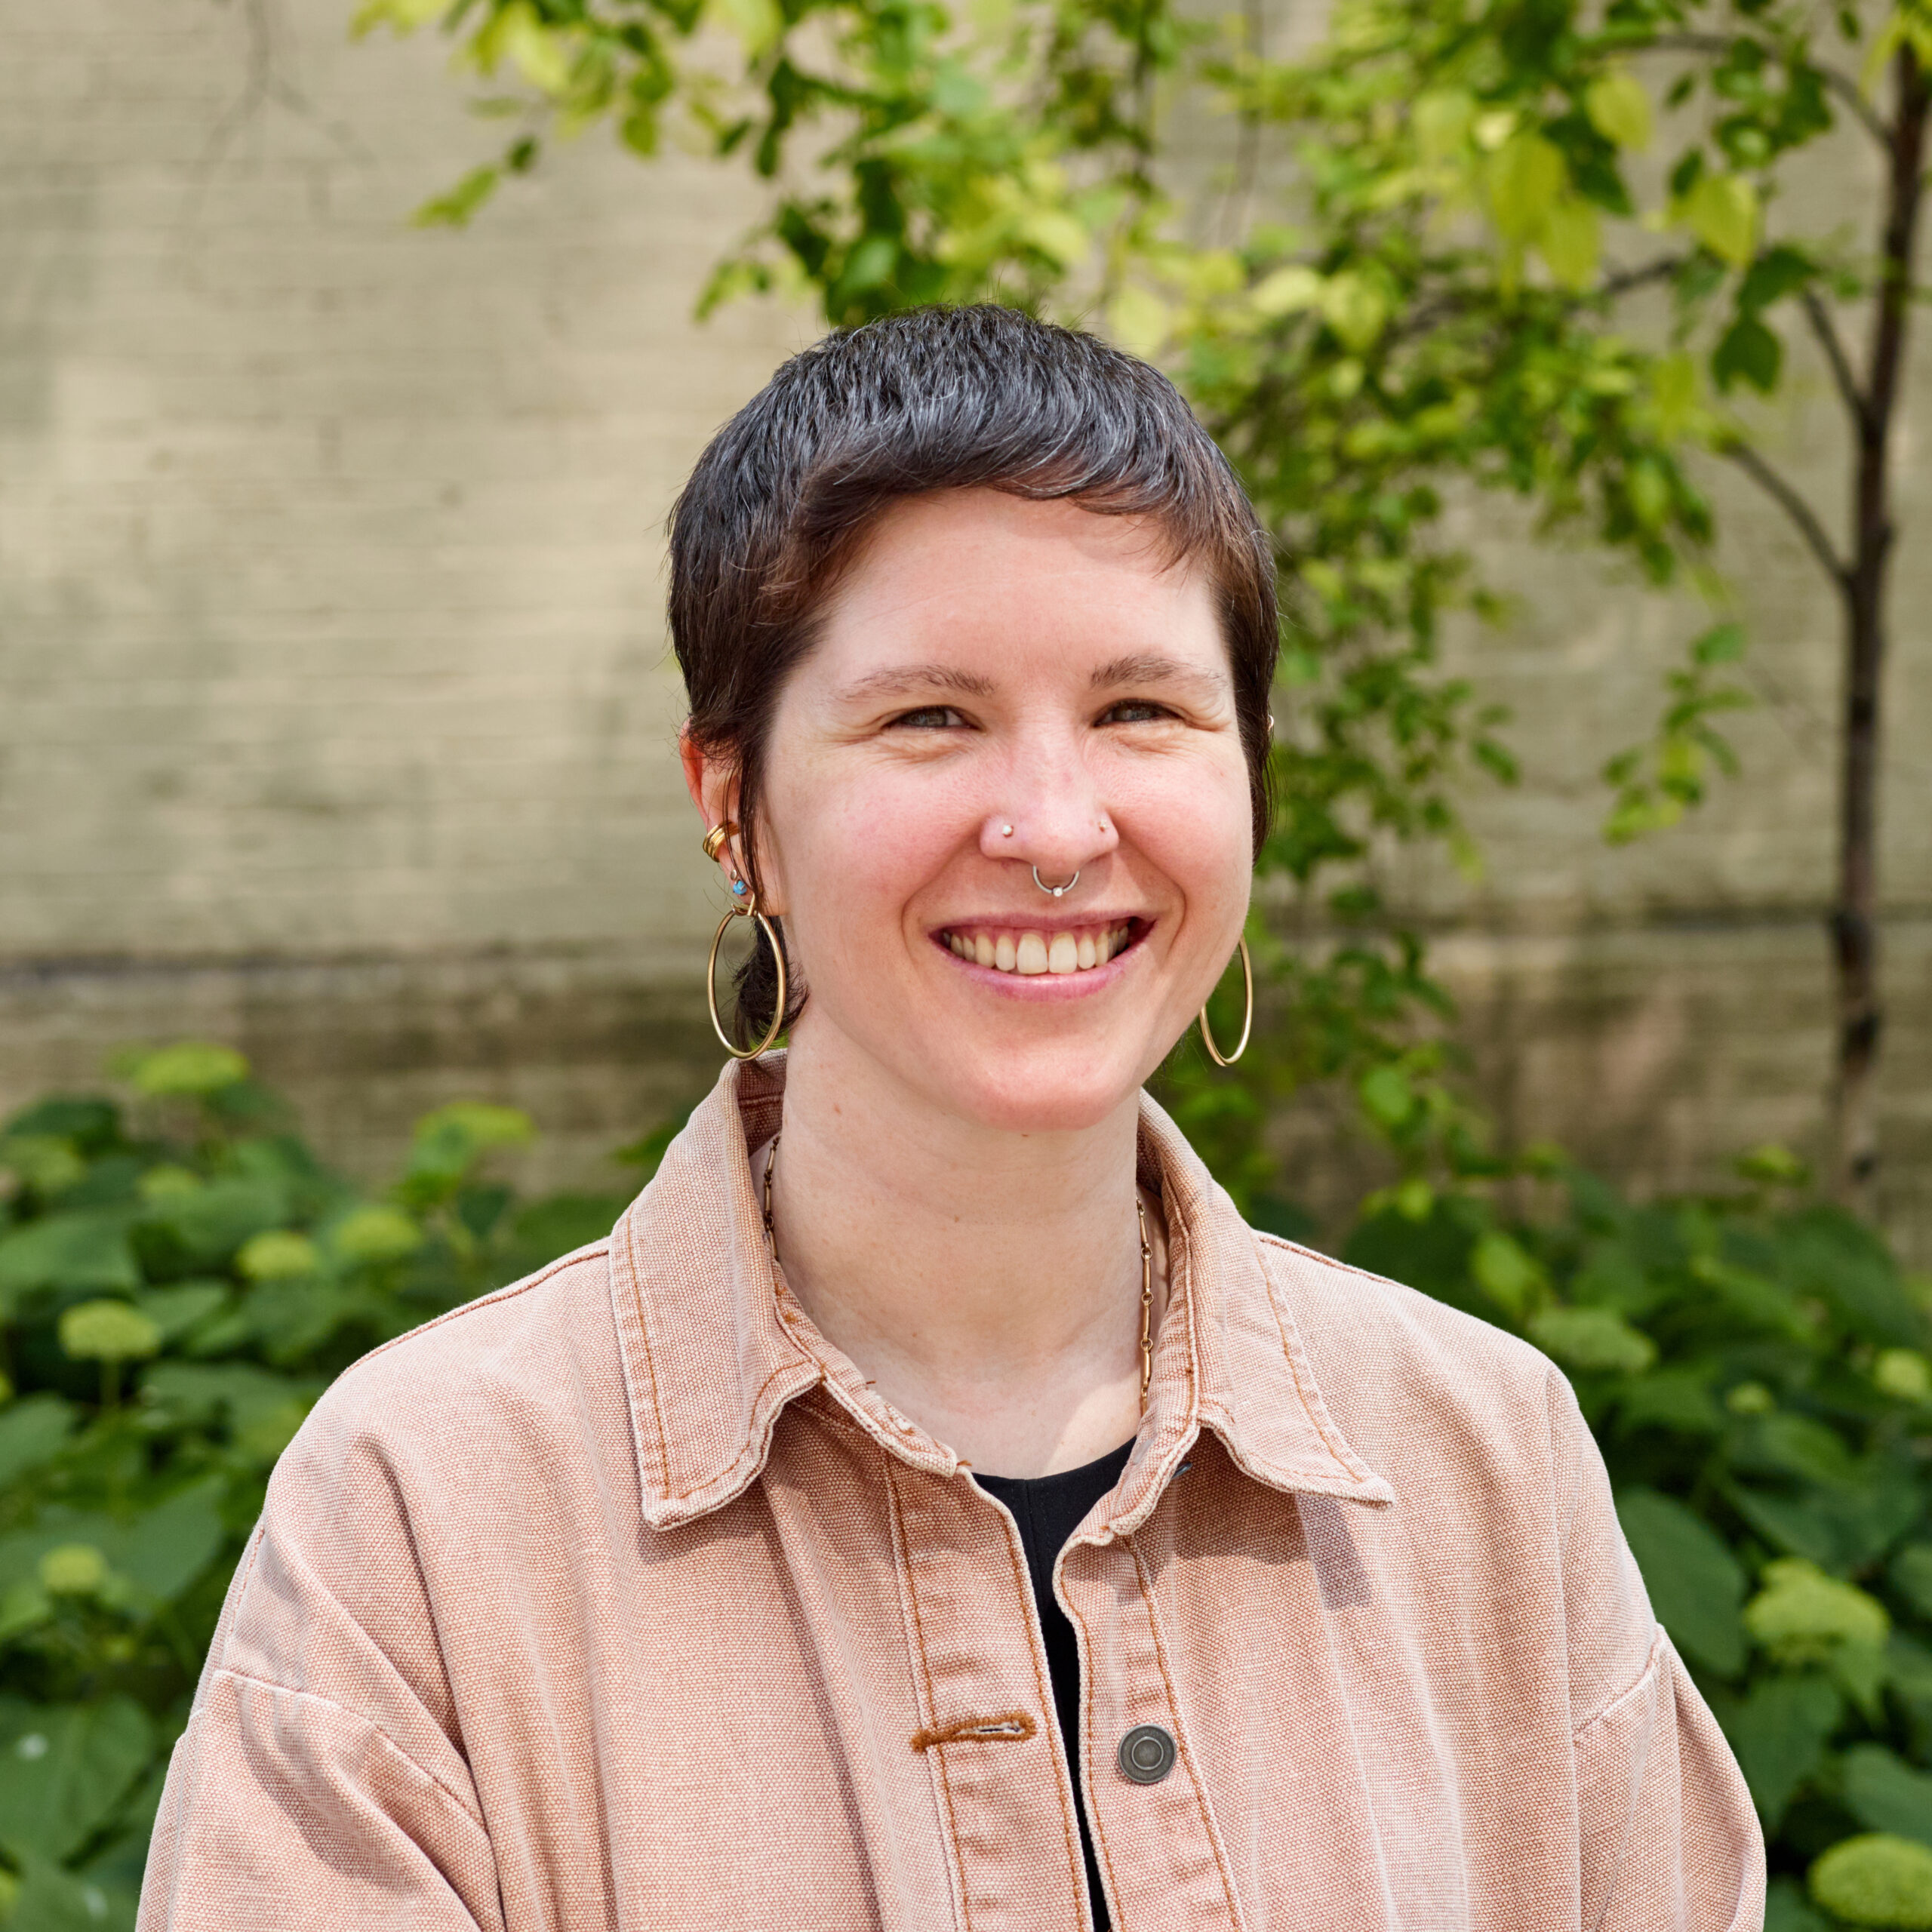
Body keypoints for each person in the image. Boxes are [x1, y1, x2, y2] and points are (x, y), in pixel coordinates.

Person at [138, 303, 1764, 1930]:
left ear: (1251, 771)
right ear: (732, 807)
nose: (1055, 827)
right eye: (930, 716)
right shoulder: (427, 1516)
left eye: (1141, 712)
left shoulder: (1479, 1456)